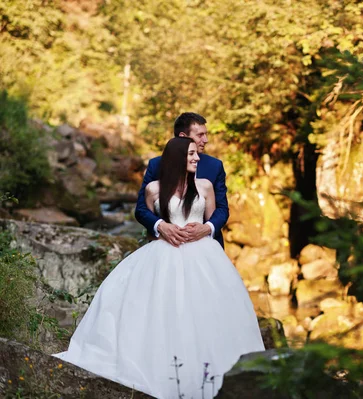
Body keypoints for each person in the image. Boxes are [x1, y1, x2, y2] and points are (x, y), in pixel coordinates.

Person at [54, 137, 265, 398]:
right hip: (165, 254)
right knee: (162, 309)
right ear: (177, 157)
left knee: (207, 311)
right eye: (190, 154)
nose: (197, 158)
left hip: (204, 257)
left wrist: (204, 229)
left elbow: (214, 219)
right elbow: (146, 219)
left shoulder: (205, 186)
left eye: (195, 154)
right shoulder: (154, 189)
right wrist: (161, 227)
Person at [135, 112, 229, 248]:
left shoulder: (214, 166)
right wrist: (160, 226)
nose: (206, 140)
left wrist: (207, 228)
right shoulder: (156, 165)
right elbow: (141, 209)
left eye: (206, 134)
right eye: (200, 135)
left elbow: (222, 208)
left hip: (206, 247)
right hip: (166, 246)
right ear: (183, 138)